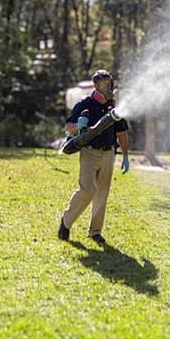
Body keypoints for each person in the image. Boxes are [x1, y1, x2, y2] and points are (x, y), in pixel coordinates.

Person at [58, 69, 130, 245]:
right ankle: (66, 222)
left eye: (110, 83)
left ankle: (95, 231)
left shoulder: (114, 107)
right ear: (96, 84)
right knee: (87, 189)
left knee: (102, 193)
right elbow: (68, 126)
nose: (108, 86)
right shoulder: (85, 104)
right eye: (105, 83)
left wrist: (126, 155)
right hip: (89, 151)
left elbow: (122, 132)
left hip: (108, 153)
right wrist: (79, 125)